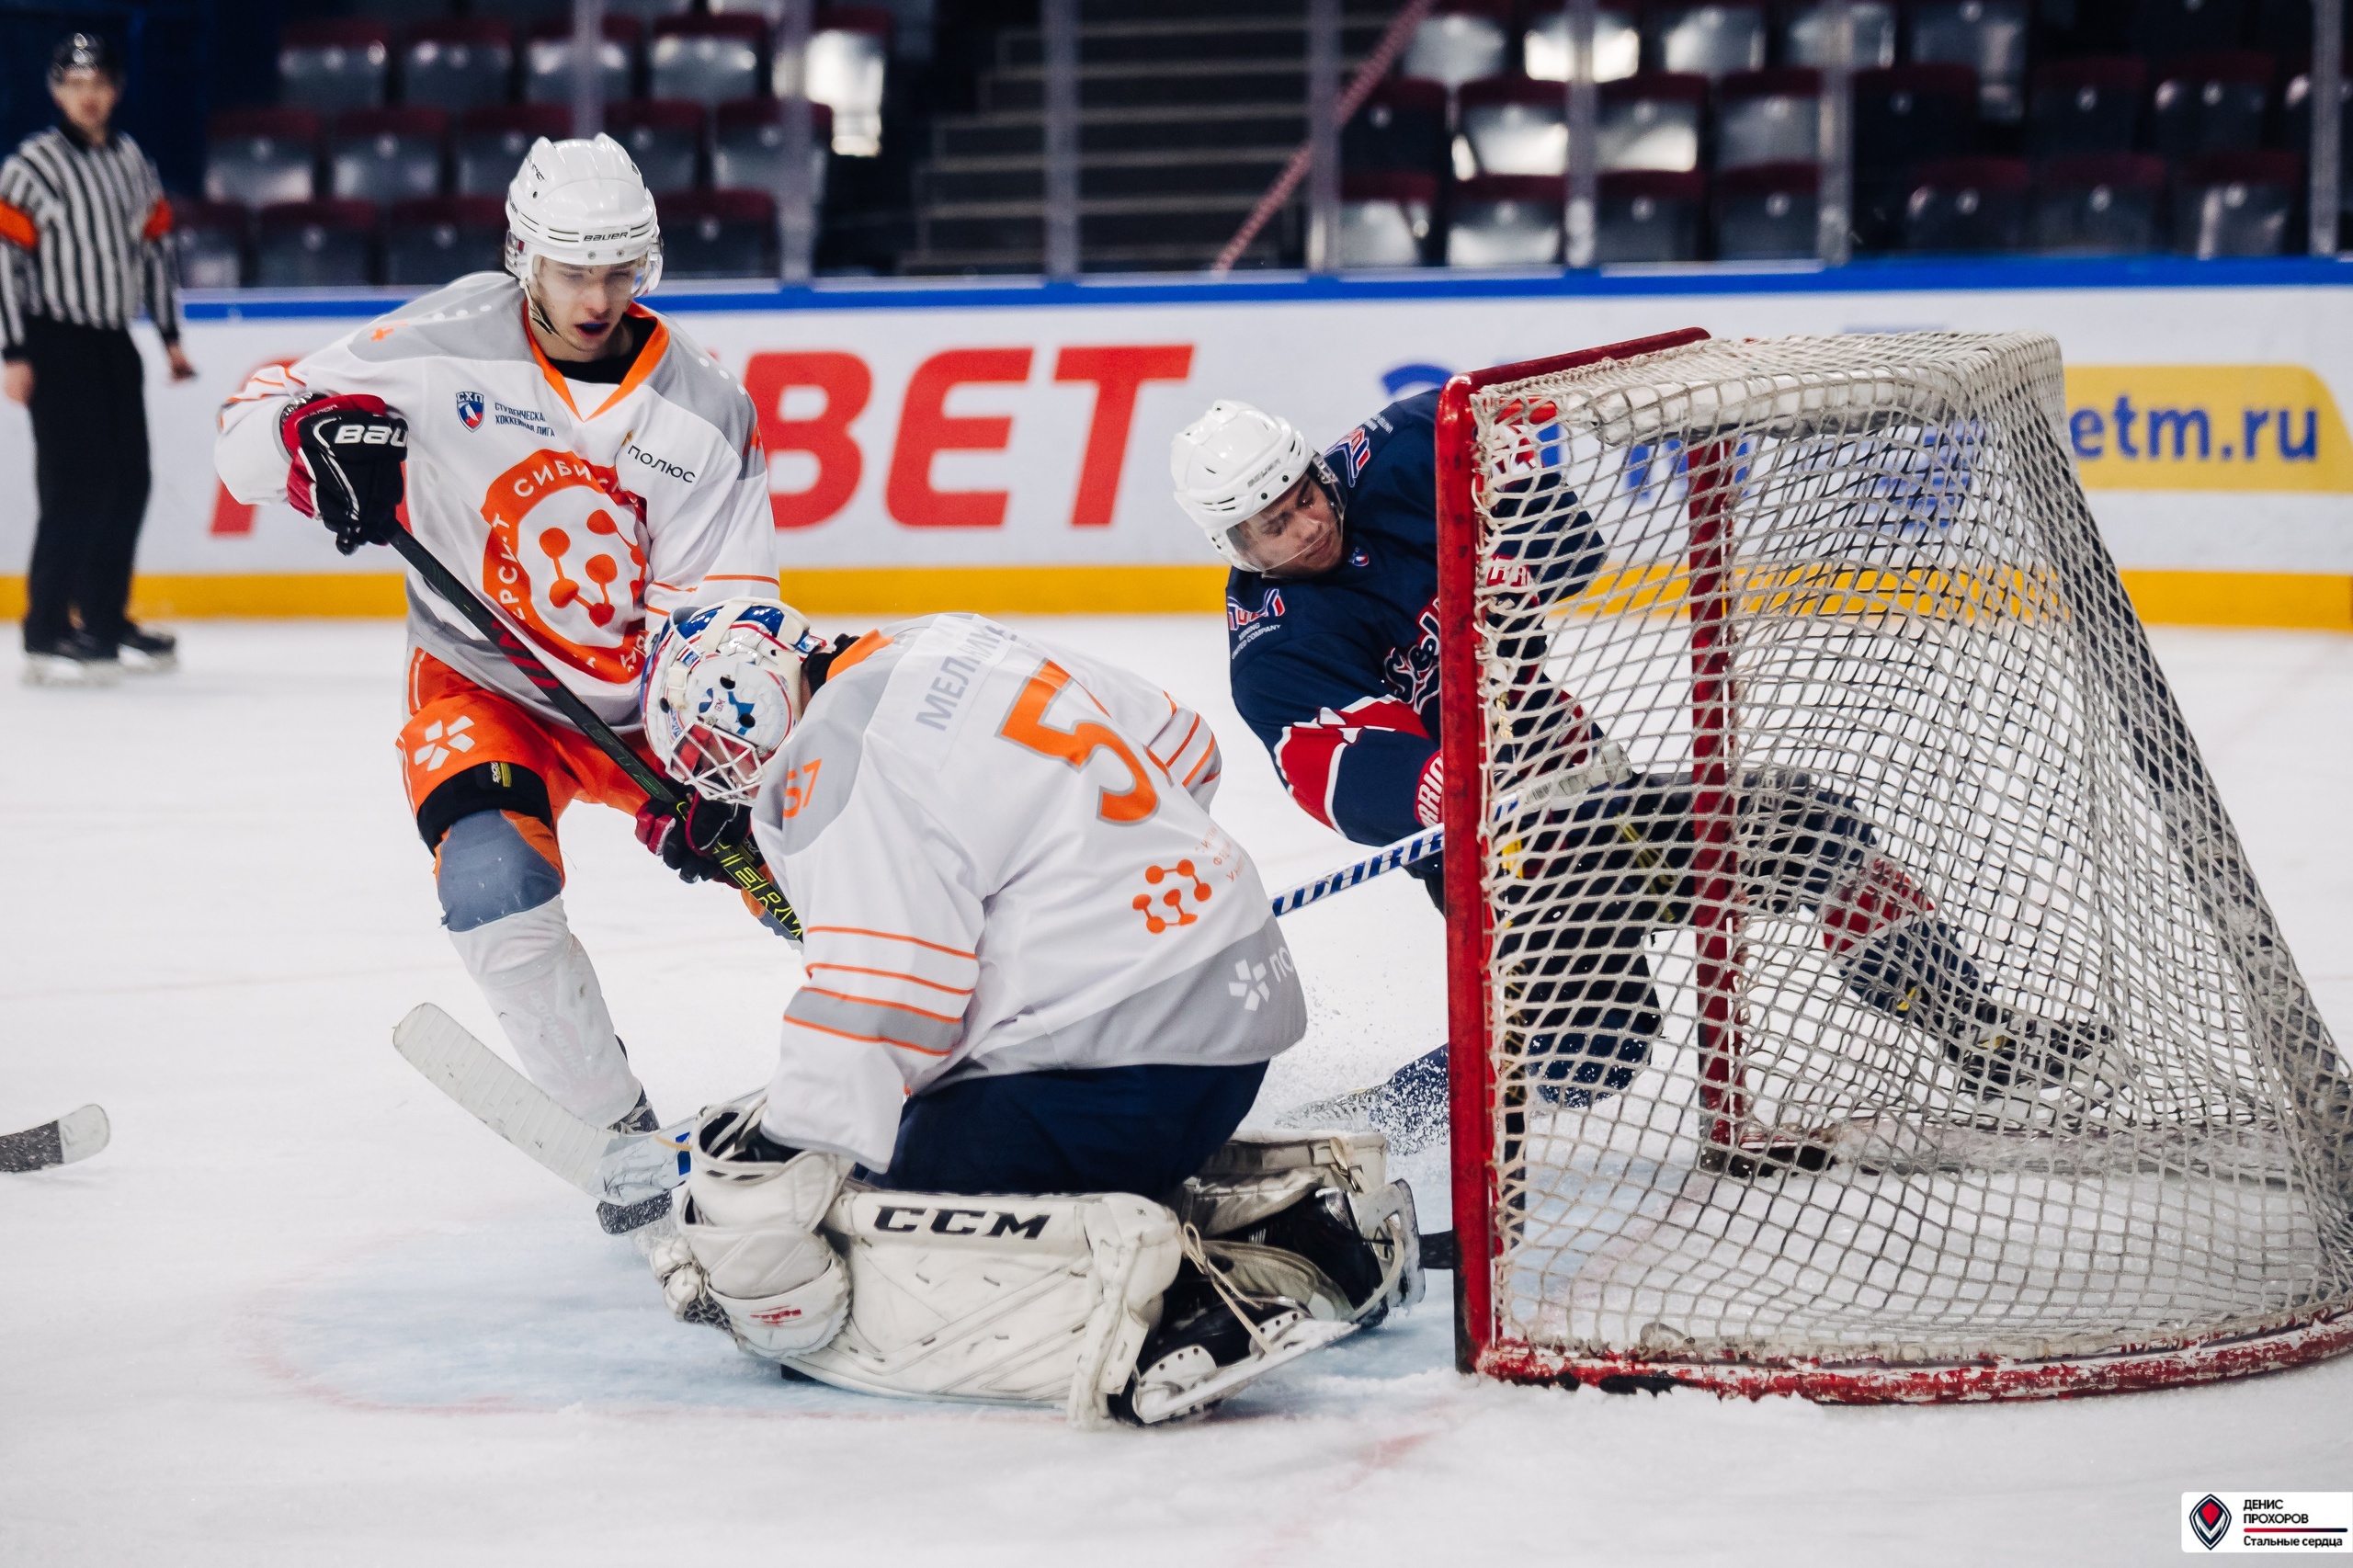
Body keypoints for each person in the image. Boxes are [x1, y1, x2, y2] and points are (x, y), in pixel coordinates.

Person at [1168, 395, 2120, 1148]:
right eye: (1266, 529)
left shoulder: (1412, 448)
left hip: (1601, 790)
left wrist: (1520, 552)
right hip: (1511, 861)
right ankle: (1378, 1121)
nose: (1298, 531)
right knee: (1594, 1052)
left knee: (1809, 829)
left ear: (1313, 469)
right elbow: (1355, 782)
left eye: (1299, 498)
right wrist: (1466, 776)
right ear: (1232, 546)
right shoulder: (1276, 652)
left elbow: (1573, 547)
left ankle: (1977, 1033)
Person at [616, 599, 1421, 1425]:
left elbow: (886, 991)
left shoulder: (835, 758)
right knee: (958, 1131)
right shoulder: (942, 638)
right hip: (1233, 1000)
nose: (723, 764)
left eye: (717, 743)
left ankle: (1171, 1317)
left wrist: (791, 1149)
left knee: (881, 1204)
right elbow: (1185, 745)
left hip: (1123, 1063)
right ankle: (1309, 1242)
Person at [215, 135, 782, 1234]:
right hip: (479, 683)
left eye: (620, 271)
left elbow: (722, 617)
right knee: (488, 889)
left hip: (646, 710)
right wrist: (306, 441)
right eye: (574, 271)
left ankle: (963, 1047)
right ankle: (618, 1133)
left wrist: (704, 774)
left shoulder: (706, 408)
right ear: (523, 255)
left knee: (811, 869)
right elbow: (247, 428)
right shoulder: (443, 342)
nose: (597, 297)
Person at [1, 31, 194, 686]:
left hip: (114, 340)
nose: (89, 96)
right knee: (74, 487)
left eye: (100, 84)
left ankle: (105, 621)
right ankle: (47, 626)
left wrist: (169, 336)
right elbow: (5, 263)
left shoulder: (132, 161)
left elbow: (156, 250)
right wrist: (14, 350)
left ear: (115, 92)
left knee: (129, 482)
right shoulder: (30, 167)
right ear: (57, 91)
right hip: (55, 341)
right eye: (76, 84)